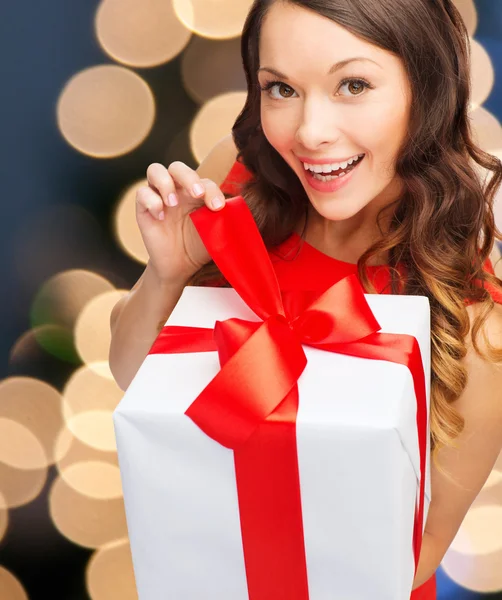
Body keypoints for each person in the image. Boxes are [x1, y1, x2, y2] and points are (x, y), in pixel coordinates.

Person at [109, 1, 502, 598]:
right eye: (281, 88)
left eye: (353, 84)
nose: (310, 132)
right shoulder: (234, 186)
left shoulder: (476, 325)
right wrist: (168, 274)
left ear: (427, 90)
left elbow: (411, 558)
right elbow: (131, 374)